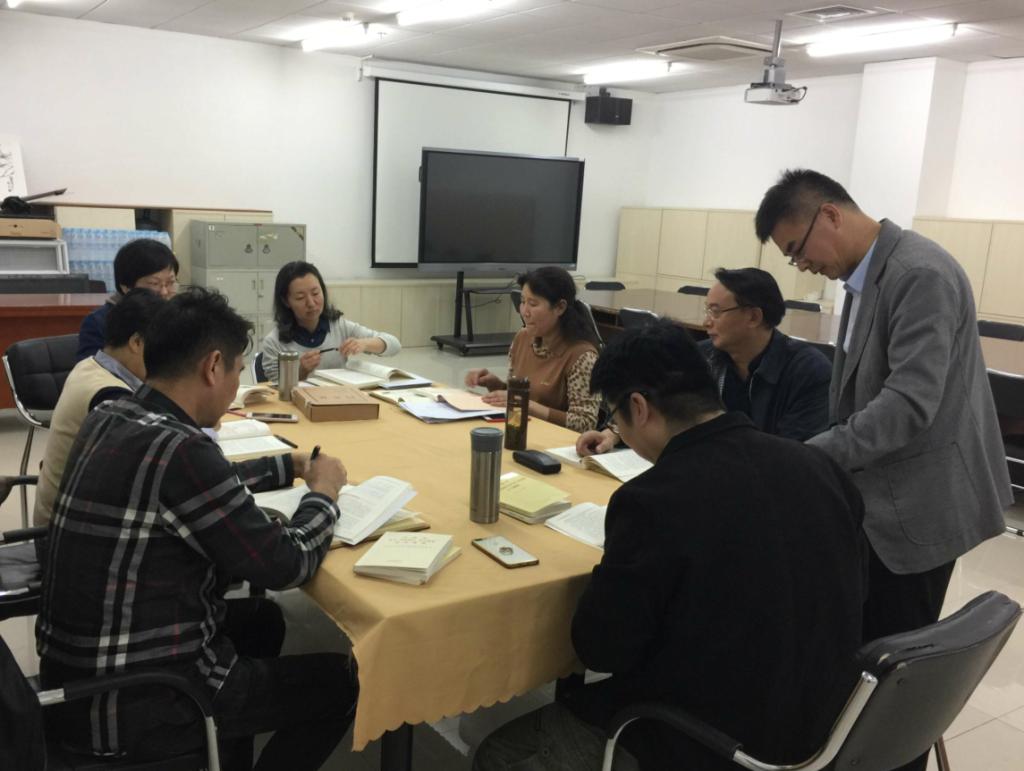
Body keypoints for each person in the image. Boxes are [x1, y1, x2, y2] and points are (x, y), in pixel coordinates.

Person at [473, 319, 867, 771]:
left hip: (712, 740)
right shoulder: (821, 468)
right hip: (825, 728)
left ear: (638, 408)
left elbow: (603, 649)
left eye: (615, 416)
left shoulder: (654, 500)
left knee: (500, 755)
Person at [37, 288, 357, 771]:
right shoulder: (183, 451)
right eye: (237, 371)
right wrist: (324, 496)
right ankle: (206, 729)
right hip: (140, 700)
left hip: (76, 678)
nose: (235, 387)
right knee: (341, 683)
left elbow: (201, 486)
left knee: (263, 621)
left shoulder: (113, 414)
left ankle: (224, 751)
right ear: (213, 366)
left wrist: (286, 465)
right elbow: (285, 563)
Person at [755, 168, 1011, 771]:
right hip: (879, 498)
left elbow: (908, 404)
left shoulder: (919, 273)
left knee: (895, 681)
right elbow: (855, 392)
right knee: (860, 657)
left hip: (918, 506)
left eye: (798, 249)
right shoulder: (867, 275)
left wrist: (812, 455)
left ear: (830, 214)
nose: (802, 266)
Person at [576, 267, 830, 455]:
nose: (706, 322)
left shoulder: (807, 371)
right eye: (707, 310)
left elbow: (792, 455)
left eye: (716, 312)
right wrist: (614, 432)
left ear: (753, 317)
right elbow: (658, 399)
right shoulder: (703, 355)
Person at [34, 288, 164, 527]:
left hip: (64, 516)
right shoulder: (112, 397)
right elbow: (138, 476)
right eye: (162, 346)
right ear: (136, 342)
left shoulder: (90, 365)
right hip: (67, 531)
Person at [465, 266, 601, 432]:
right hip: (519, 431)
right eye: (523, 302)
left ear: (560, 307)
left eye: (533, 304)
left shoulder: (582, 356)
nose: (524, 312)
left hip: (555, 440)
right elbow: (517, 397)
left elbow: (585, 423)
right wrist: (494, 384)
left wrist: (527, 405)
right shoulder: (522, 338)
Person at [260, 260, 400, 381]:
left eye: (315, 293)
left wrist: (364, 343)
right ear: (286, 301)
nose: (311, 303)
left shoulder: (340, 327)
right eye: (300, 298)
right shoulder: (274, 342)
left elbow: (394, 345)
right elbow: (274, 389)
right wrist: (300, 371)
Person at [76, 237, 179, 361]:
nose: (164, 292)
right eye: (154, 283)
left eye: (170, 282)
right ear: (126, 287)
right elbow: (91, 369)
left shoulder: (177, 316)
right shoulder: (99, 322)